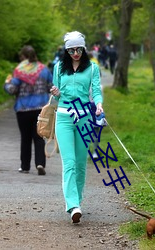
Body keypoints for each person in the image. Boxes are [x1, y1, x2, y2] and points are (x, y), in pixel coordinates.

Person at [50, 31, 103, 223]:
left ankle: (77, 201)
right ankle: (72, 205)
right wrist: (55, 92)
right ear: (66, 50)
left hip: (84, 119)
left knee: (81, 163)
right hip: (64, 118)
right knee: (69, 162)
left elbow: (96, 90)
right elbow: (56, 97)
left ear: (84, 48)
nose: (75, 53)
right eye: (71, 50)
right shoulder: (58, 68)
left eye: (79, 49)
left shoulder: (92, 68)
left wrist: (98, 104)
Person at [4, 45, 53, 175]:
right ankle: (40, 163)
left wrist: (7, 83)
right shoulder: (44, 70)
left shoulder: (19, 71)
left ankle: (25, 166)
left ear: (23, 57)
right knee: (39, 137)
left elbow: (12, 90)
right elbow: (51, 87)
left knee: (25, 138)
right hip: (40, 109)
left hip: (23, 109)